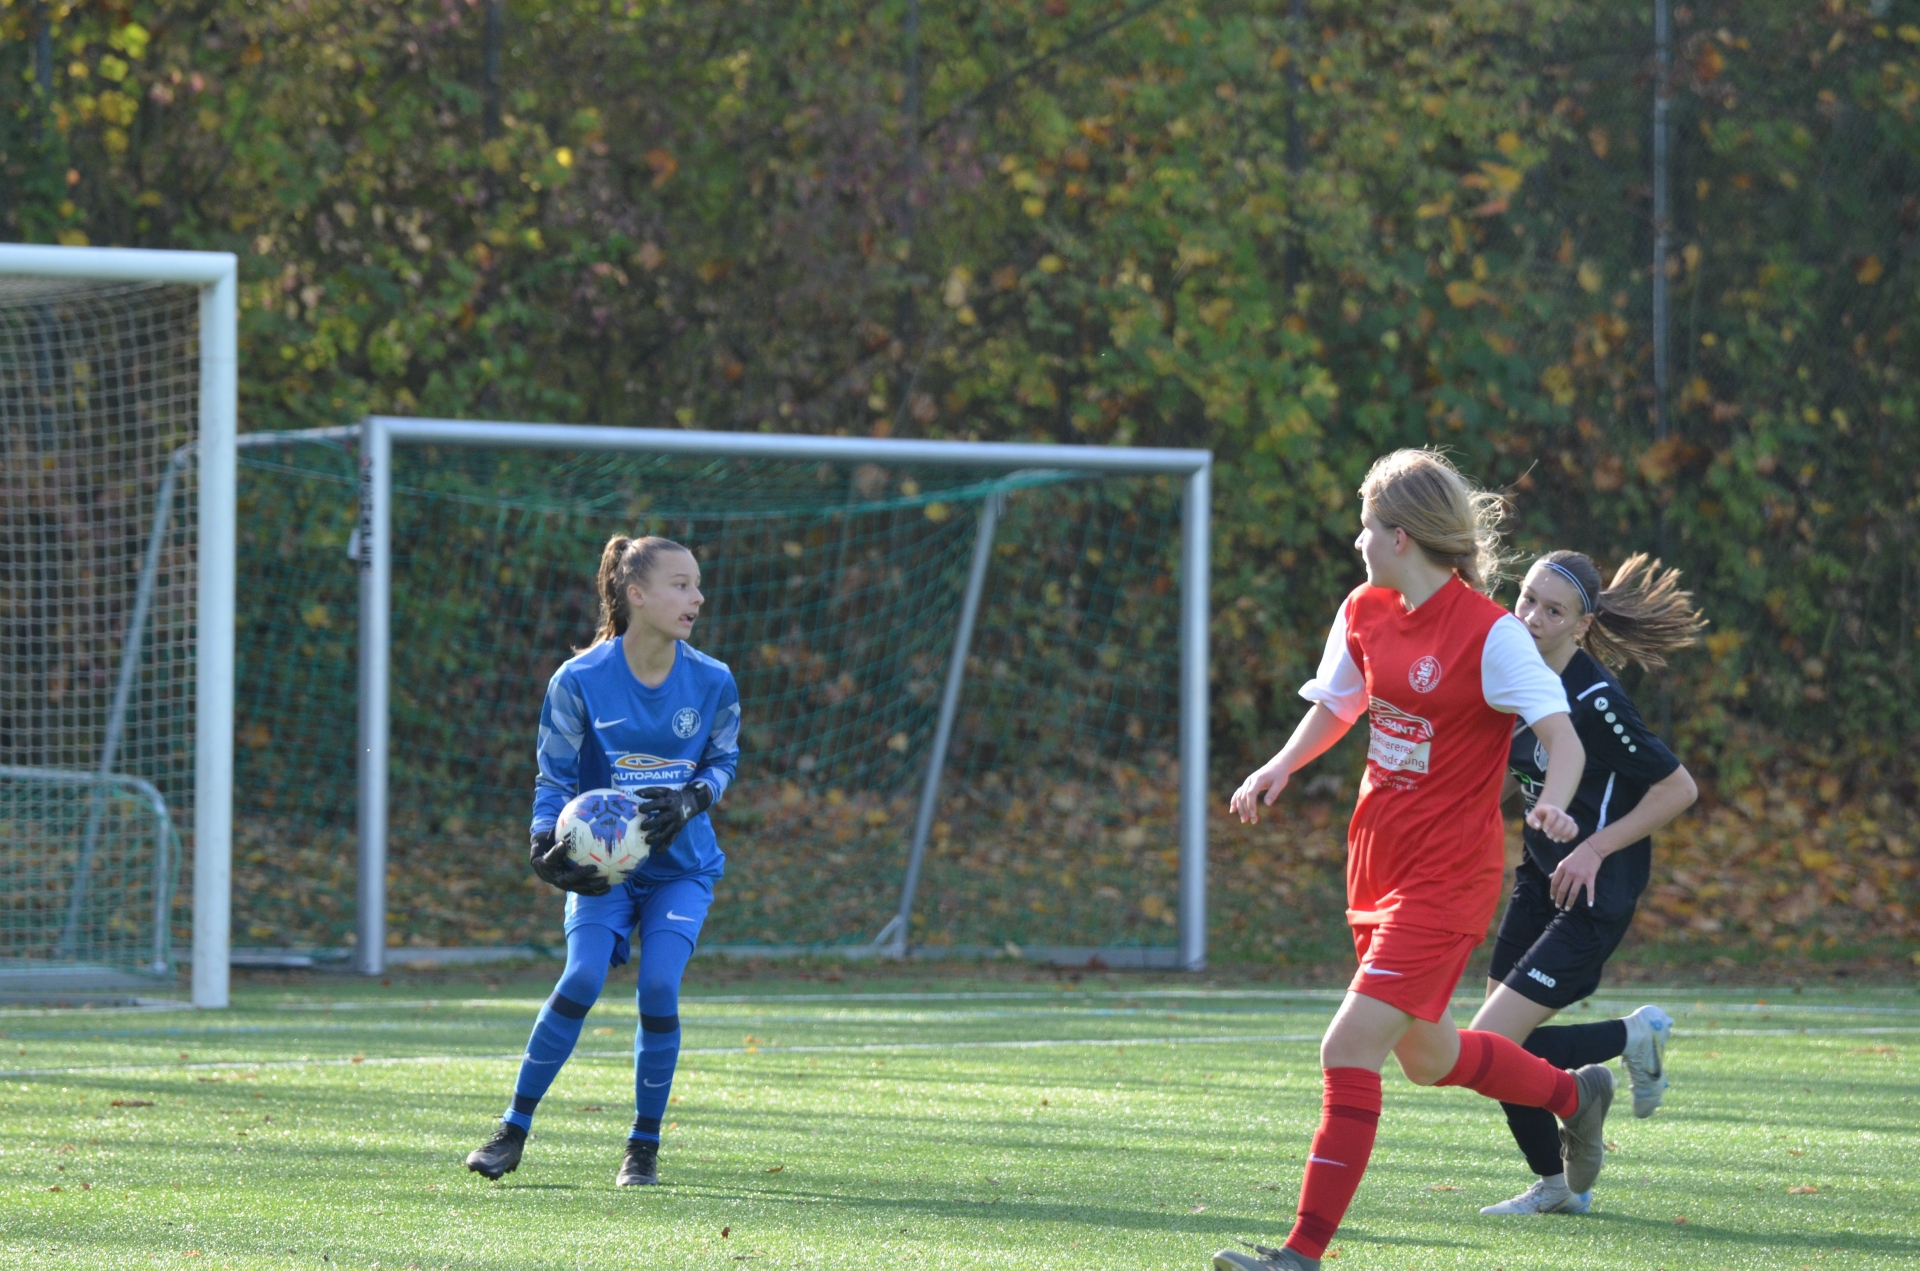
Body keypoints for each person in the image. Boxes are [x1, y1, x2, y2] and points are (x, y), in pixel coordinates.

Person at [1214, 450, 1614, 1271]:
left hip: (1446, 878)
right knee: (1431, 1057)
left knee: (1347, 1049)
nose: (1357, 540)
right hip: (1375, 864)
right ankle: (1576, 1093)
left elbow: (1563, 740)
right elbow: (1340, 703)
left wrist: (1554, 802)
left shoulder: (1492, 635)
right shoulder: (1363, 608)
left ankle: (1301, 1252)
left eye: (1366, 526)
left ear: (1400, 536)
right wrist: (1279, 765)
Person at [465, 534, 740, 1187]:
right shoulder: (579, 679)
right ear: (635, 593)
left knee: (659, 987)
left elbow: (723, 760)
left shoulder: (713, 679)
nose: (697, 597)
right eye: (681, 584)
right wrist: (542, 842)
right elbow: (554, 777)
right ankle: (511, 1130)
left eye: (698, 584)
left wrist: (693, 797)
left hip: (682, 868)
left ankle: (642, 1147)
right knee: (583, 976)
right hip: (603, 869)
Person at [1468, 550, 1704, 1216]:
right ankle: (1556, 1186)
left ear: (1582, 624)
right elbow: (1516, 770)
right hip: (1538, 879)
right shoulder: (1515, 676)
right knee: (1494, 1049)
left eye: (1554, 610)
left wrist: (1595, 847)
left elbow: (1678, 788)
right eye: (1527, 599)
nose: (1532, 617)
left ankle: (1631, 1038)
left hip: (1593, 895)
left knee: (1488, 1047)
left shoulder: (1597, 700)